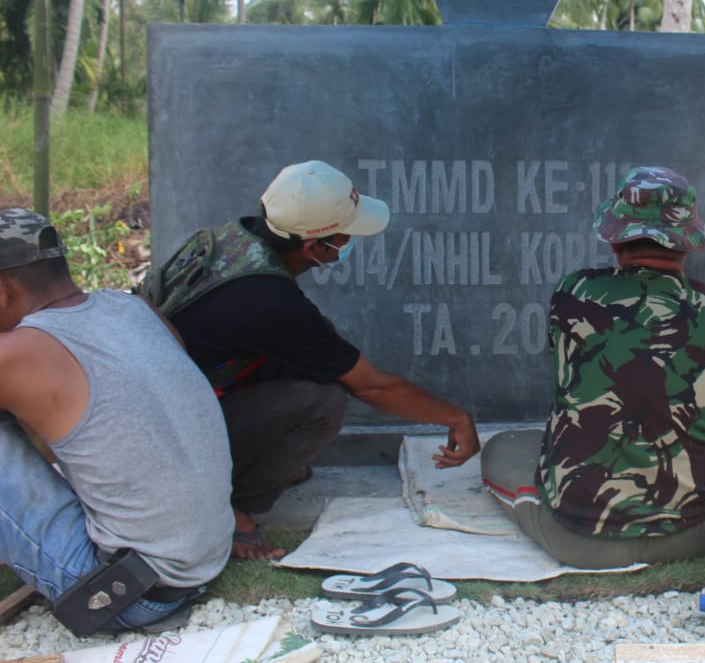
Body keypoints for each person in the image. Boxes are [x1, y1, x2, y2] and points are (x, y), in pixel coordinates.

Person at [145, 161, 481, 561]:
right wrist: (457, 418)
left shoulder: (236, 237)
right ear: (315, 247)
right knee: (324, 402)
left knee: (317, 348)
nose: (350, 240)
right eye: (346, 234)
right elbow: (371, 385)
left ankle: (255, 467)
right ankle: (229, 508)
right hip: (166, 443)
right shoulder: (270, 303)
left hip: (163, 401)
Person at [481, 166, 705, 568]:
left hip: (576, 537)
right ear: (690, 243)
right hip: (697, 532)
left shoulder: (572, 294)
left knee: (503, 447)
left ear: (615, 241)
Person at [0, 208, 233, 632]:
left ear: (3, 291)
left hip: (122, 595)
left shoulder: (19, 353)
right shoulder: (134, 310)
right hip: (200, 562)